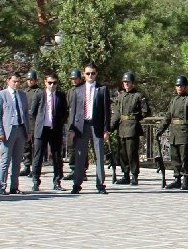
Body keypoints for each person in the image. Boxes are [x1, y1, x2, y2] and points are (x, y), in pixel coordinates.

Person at [68, 65, 110, 194]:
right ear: (84, 74)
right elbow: (73, 111)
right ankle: (77, 184)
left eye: (92, 73)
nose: (90, 76)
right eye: (87, 74)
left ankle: (100, 184)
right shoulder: (78, 90)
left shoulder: (102, 89)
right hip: (82, 126)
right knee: (80, 156)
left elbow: (106, 111)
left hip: (96, 126)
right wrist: (71, 129)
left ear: (96, 74)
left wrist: (106, 129)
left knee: (99, 156)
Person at [156, 75, 188, 190]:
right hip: (174, 132)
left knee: (184, 157)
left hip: (184, 132)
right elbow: (168, 116)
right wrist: (159, 130)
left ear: (185, 87)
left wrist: (187, 124)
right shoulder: (174, 100)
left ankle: (185, 180)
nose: (179, 88)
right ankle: (177, 179)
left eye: (181, 86)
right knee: (174, 156)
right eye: (177, 86)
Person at [110, 71, 151, 185]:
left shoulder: (138, 96)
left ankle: (134, 175)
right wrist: (110, 127)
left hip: (132, 127)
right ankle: (125, 174)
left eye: (128, 82)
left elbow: (146, 111)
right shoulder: (121, 96)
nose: (126, 84)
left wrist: (135, 117)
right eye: (124, 82)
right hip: (122, 127)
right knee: (122, 153)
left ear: (132, 83)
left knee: (132, 152)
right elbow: (117, 113)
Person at [28, 72, 67, 191]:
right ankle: (35, 181)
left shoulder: (60, 95)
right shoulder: (39, 94)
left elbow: (65, 113)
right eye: (50, 83)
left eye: (54, 83)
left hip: (55, 129)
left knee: (56, 156)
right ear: (45, 82)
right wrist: (39, 123)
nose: (52, 85)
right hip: (42, 129)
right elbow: (33, 112)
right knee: (38, 156)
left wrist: (59, 123)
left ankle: (57, 181)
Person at [0, 71, 29, 195]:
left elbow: (25, 114)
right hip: (8, 130)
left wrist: (27, 131)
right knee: (5, 160)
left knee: (17, 160)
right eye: (14, 81)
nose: (16, 84)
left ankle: (14, 186)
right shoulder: (1, 95)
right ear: (8, 81)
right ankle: (1, 186)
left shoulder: (22, 95)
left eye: (18, 81)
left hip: (20, 128)